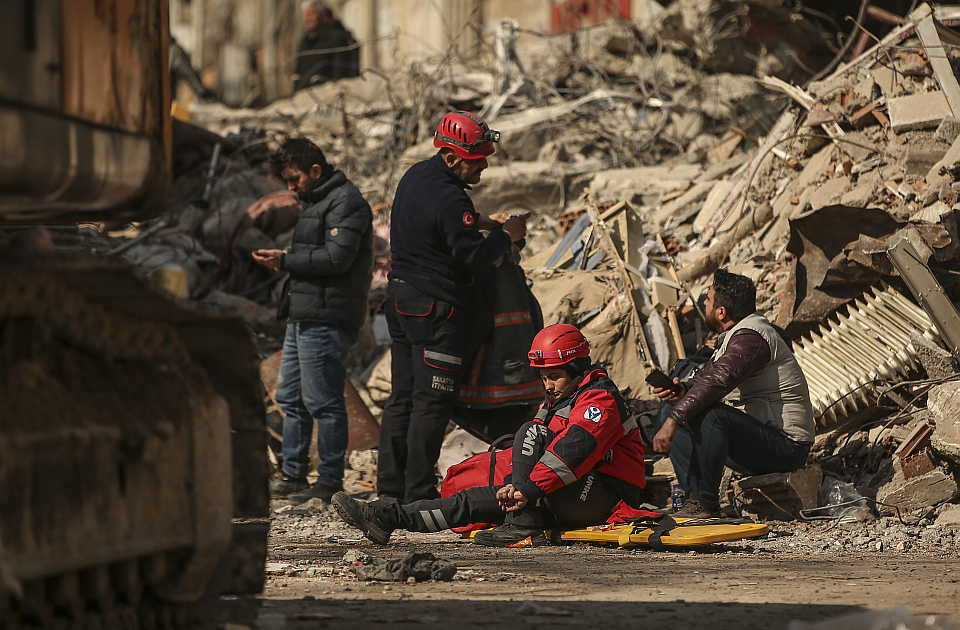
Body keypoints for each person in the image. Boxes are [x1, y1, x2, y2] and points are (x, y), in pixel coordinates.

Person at [332, 324, 646, 547]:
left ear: (577, 369)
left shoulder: (600, 399)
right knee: (469, 502)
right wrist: (516, 488)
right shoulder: (557, 399)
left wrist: (526, 491)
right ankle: (385, 516)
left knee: (528, 432)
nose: (548, 386)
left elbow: (572, 452)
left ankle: (523, 525)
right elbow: (539, 457)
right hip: (551, 492)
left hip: (604, 497)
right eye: (543, 379)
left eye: (554, 377)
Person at [378, 111, 529, 503]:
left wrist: (481, 221)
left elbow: (444, 222)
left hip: (400, 300)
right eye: (476, 160)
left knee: (402, 399)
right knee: (432, 402)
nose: (483, 167)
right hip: (435, 310)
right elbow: (473, 259)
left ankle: (390, 491)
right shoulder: (451, 197)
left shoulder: (416, 176)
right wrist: (507, 236)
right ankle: (418, 495)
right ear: (450, 159)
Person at [253, 137, 373, 502]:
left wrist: (285, 261)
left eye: (294, 179)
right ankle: (293, 474)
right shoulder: (317, 202)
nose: (291, 188)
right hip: (303, 314)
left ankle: (329, 481)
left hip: (327, 317)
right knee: (290, 397)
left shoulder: (346, 202)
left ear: (315, 171)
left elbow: (337, 258)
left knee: (323, 400)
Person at [652, 269, 815, 519]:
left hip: (787, 448)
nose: (703, 303)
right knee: (671, 408)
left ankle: (705, 503)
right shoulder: (735, 337)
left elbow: (718, 383)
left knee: (711, 415)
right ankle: (692, 499)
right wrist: (680, 392)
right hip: (761, 439)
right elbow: (706, 381)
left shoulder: (752, 338)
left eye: (707, 299)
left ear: (721, 312)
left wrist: (675, 420)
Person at [294, 0, 360, 91]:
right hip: (306, 96)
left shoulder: (336, 38)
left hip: (329, 95)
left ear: (322, 15)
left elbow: (341, 73)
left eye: (312, 14)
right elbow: (298, 72)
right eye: (305, 15)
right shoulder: (305, 41)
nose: (308, 18)